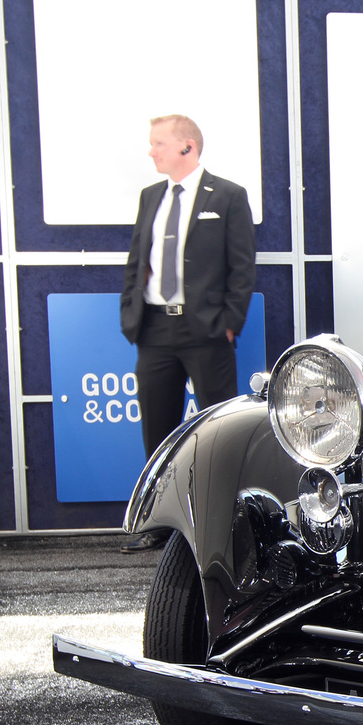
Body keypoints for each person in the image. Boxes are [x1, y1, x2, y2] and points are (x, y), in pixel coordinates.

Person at [119, 114, 255, 552]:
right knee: (158, 428)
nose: (151, 151)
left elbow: (242, 266)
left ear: (187, 148)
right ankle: (157, 525)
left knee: (218, 428)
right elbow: (137, 260)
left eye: (158, 143)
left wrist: (229, 323)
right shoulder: (150, 197)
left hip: (207, 331)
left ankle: (223, 524)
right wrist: (131, 314)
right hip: (155, 329)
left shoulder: (229, 196)